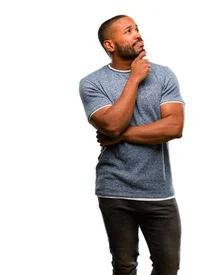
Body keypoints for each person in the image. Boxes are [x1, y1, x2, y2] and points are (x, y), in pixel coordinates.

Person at [79, 15, 185, 275]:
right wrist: (134, 79)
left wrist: (121, 136)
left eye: (137, 29)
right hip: (115, 190)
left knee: (168, 267)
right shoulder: (92, 83)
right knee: (125, 267)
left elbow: (174, 127)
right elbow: (112, 124)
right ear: (110, 45)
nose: (138, 34)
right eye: (128, 31)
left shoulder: (163, 75)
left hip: (159, 191)